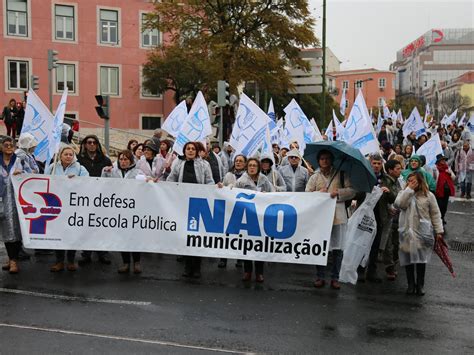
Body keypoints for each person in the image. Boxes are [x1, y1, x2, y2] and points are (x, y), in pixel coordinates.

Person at [306, 150, 355, 289]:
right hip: (320, 217)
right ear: (318, 160)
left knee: (337, 248)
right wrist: (318, 194)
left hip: (338, 215)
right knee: (320, 247)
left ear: (332, 160)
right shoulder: (315, 177)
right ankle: (320, 276)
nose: (325, 161)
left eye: (327, 158)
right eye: (322, 158)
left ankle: (335, 277)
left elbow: (352, 191)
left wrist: (338, 192)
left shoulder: (341, 174)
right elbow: (307, 193)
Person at [166, 141, 215, 278]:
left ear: (197, 151)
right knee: (186, 236)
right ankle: (188, 267)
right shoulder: (178, 164)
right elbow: (171, 179)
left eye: (193, 149)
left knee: (197, 236)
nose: (191, 151)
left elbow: (210, 181)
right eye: (188, 149)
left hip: (199, 204)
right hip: (183, 205)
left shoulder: (204, 165)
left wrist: (213, 189)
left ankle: (197, 267)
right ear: (184, 150)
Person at [394, 171, 444, 296]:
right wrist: (409, 190)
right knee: (408, 259)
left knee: (421, 259)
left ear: (420, 181)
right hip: (406, 231)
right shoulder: (403, 193)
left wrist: (439, 231)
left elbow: (435, 214)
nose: (411, 183)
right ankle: (410, 284)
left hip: (422, 232)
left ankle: (420, 284)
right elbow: (399, 204)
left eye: (414, 181)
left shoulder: (428, 196)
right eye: (409, 181)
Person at [46, 146, 89, 272]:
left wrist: (77, 180)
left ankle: (70, 260)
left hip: (73, 206)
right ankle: (59, 261)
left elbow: (89, 183)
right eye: (66, 154)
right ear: (61, 155)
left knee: (71, 233)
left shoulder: (80, 168)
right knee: (58, 233)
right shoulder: (52, 167)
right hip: (56, 205)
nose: (68, 156)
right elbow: (43, 182)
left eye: (71, 154)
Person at [102, 150, 144, 274]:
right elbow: (101, 183)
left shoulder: (138, 173)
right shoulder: (113, 172)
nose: (123, 162)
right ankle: (126, 262)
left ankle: (137, 262)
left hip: (134, 210)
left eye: (126, 159)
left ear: (131, 161)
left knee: (134, 237)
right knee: (123, 238)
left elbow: (146, 186)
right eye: (121, 159)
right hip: (118, 209)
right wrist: (105, 171)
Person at [234, 158, 274, 282]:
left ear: (258, 167)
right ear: (247, 167)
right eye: (250, 165)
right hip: (246, 216)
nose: (252, 167)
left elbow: (272, 192)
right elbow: (232, 193)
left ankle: (259, 273)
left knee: (259, 245)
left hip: (261, 216)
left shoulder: (264, 179)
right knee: (247, 244)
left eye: (254, 166)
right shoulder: (241, 181)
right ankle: (247, 271)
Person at [77, 135, 113, 265]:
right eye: (89, 142)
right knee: (86, 225)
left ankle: (102, 252)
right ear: (85, 144)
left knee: (100, 225)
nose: (91, 144)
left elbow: (112, 178)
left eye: (94, 142)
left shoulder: (105, 160)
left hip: (101, 198)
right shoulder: (78, 159)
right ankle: (86, 253)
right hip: (84, 197)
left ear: (97, 145)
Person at [0, 138, 23, 274]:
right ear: (1, 147)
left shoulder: (19, 161)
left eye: (11, 145)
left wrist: (22, 174)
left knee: (17, 231)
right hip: (2, 201)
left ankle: (14, 260)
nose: (9, 147)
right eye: (6, 145)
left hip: (16, 202)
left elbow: (34, 173)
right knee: (6, 231)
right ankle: (11, 258)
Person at [381, 159, 403, 280]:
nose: (400, 171)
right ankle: (389, 267)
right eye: (398, 168)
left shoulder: (396, 181)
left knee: (395, 242)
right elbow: (386, 197)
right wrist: (389, 206)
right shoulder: (386, 181)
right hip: (387, 216)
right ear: (390, 170)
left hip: (396, 216)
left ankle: (392, 264)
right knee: (388, 242)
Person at [433, 154, 455, 224]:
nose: (443, 161)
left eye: (444, 160)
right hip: (439, 190)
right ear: (438, 161)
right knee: (440, 205)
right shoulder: (435, 168)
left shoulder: (447, 168)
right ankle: (439, 219)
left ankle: (442, 217)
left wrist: (450, 173)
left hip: (447, 190)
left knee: (444, 206)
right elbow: (433, 179)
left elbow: (454, 178)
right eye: (442, 160)